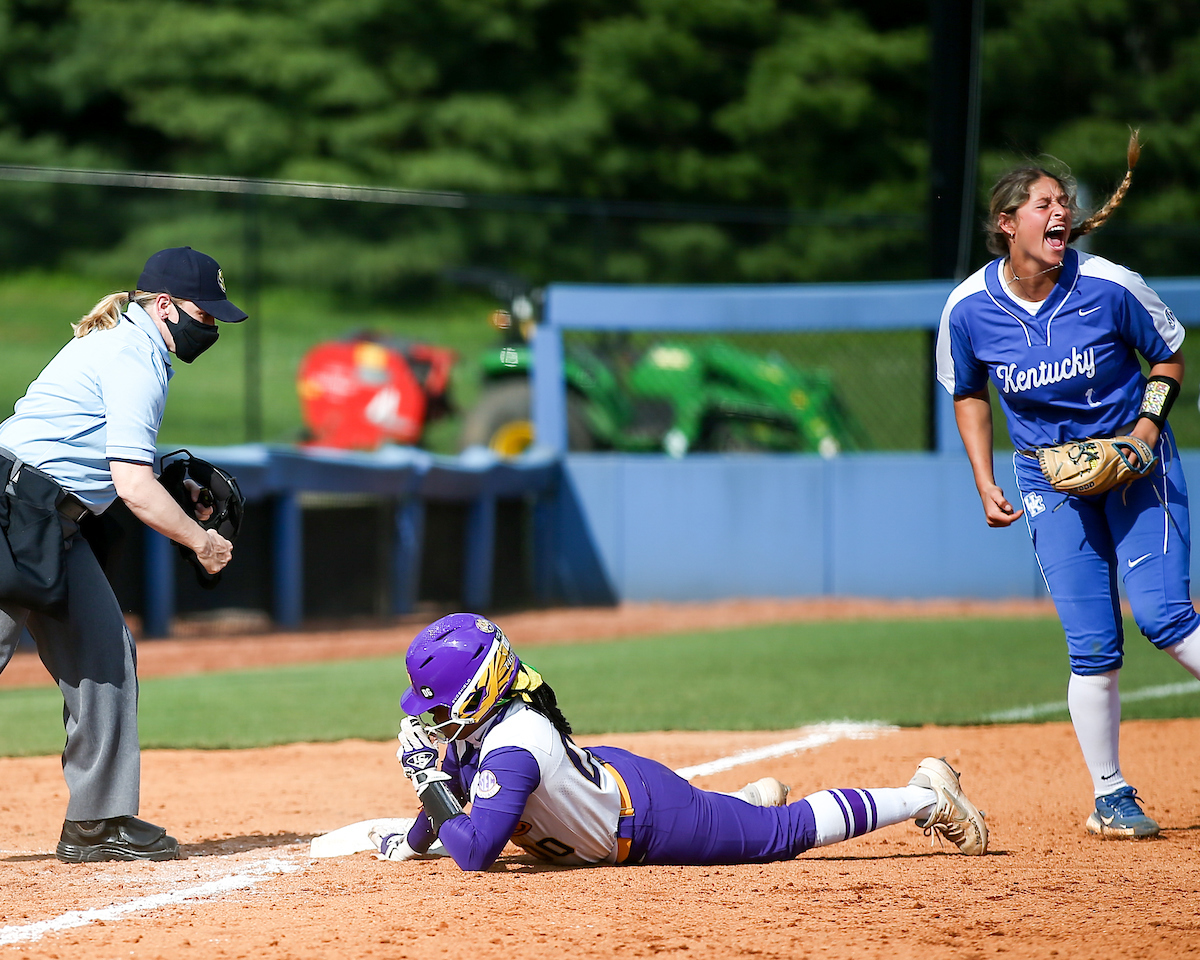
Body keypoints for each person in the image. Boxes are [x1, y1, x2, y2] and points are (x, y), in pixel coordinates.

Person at [936, 133, 1200, 839]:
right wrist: (984, 478)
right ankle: (1110, 797)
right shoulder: (969, 308)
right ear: (1007, 222)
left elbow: (1170, 356)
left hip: (1137, 467)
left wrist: (1145, 433)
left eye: (1064, 202)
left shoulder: (1108, 285)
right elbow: (969, 393)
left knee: (1165, 617)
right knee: (1092, 645)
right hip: (1049, 480)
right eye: (1043, 203)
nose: (1060, 212)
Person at [367, 613, 988, 871]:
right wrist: (414, 840)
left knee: (781, 836)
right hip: (617, 788)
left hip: (648, 821)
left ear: (479, 690)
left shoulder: (513, 746)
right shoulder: (484, 728)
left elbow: (476, 851)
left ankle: (925, 794)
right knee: (731, 816)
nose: (431, 719)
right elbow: (453, 792)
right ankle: (741, 802)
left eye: (438, 705)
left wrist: (423, 779)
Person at [0, 246, 246, 862]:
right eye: (203, 313)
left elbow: (111, 456)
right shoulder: (132, 355)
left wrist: (172, 479)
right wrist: (202, 541)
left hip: (50, 519)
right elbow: (132, 487)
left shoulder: (134, 346)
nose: (210, 327)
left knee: (104, 652)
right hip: (13, 510)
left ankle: (97, 821)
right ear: (163, 305)